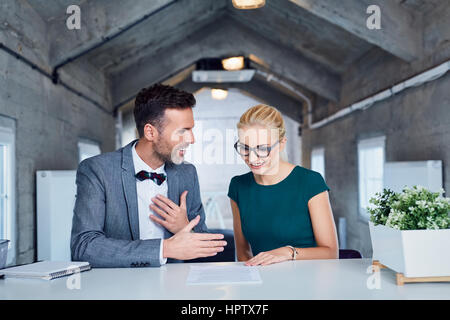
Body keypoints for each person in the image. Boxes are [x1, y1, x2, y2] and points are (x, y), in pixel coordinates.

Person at [71, 84, 226, 268]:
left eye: (191, 130)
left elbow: (204, 246)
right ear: (150, 132)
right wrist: (164, 249)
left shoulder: (187, 173)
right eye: (182, 131)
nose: (191, 139)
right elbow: (84, 247)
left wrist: (184, 227)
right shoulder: (97, 170)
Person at [228, 104, 338, 266]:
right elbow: (243, 253)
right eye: (245, 148)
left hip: (308, 280)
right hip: (262, 282)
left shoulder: (310, 182)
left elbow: (330, 252)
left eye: (262, 149)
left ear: (281, 144)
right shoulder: (238, 186)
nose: (251, 158)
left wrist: (288, 252)